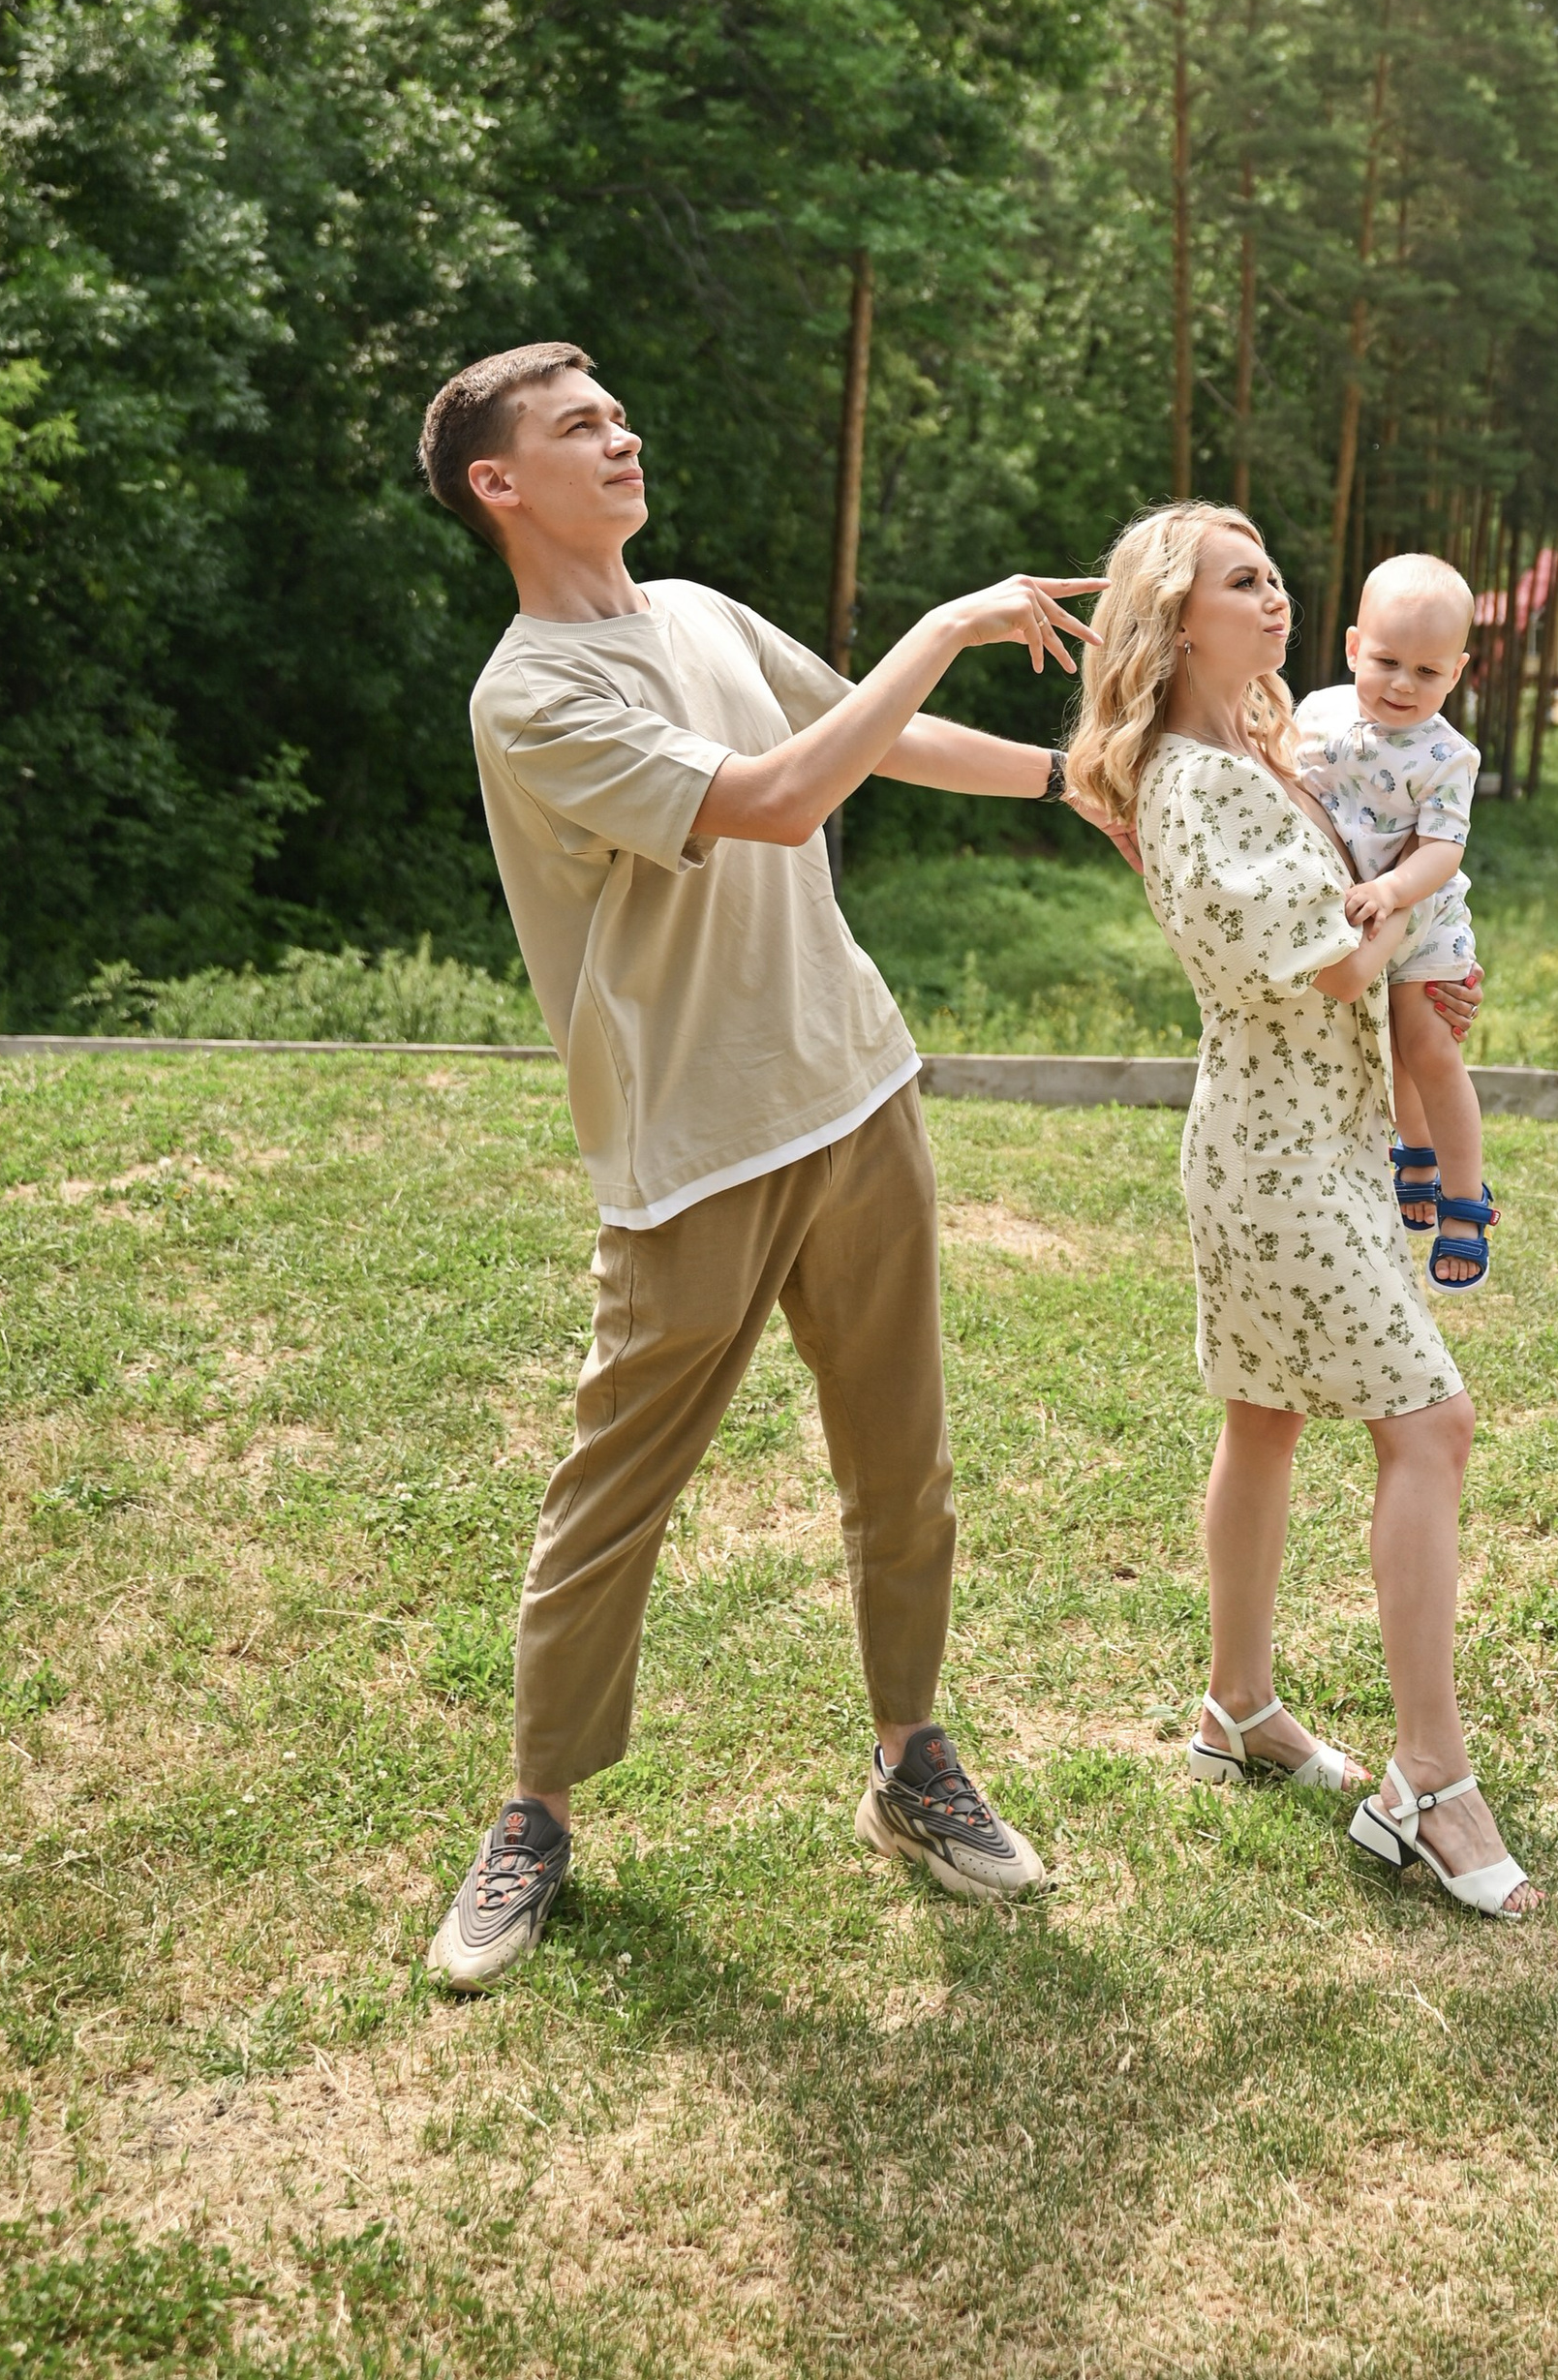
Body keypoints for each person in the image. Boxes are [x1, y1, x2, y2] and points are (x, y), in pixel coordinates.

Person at [415, 339, 1105, 1990]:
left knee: (904, 1468)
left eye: (619, 413)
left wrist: (1078, 778)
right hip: (696, 1147)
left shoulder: (706, 614)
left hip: (854, 1090)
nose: (622, 433)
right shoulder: (532, 691)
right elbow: (786, 798)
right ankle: (534, 1814)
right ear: (498, 485)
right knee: (612, 1499)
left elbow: (860, 740)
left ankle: (912, 1763)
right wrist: (943, 626)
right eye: (580, 427)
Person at [1065, 502, 1536, 1921]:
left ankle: (1237, 1704)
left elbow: (1365, 905)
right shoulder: (1198, 780)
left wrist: (1402, 945)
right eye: (1242, 580)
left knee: (1265, 1415)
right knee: (1430, 1420)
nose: (1273, 598)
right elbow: (1338, 961)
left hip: (1316, 1137)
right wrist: (1407, 935)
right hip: (1275, 1155)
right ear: (1176, 614)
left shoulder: (1260, 753)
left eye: (1276, 576)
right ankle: (1432, 1780)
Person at [1292, 554, 1495, 1290]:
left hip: (1423, 913)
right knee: (1387, 1047)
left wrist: (1393, 887)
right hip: (1355, 909)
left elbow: (1443, 847)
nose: (1404, 684)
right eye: (1385, 661)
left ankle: (1465, 1197)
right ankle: (1415, 1151)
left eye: (1428, 671)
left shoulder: (1447, 753)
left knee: (1428, 1046)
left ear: (1457, 671)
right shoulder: (1316, 714)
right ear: (1352, 647)